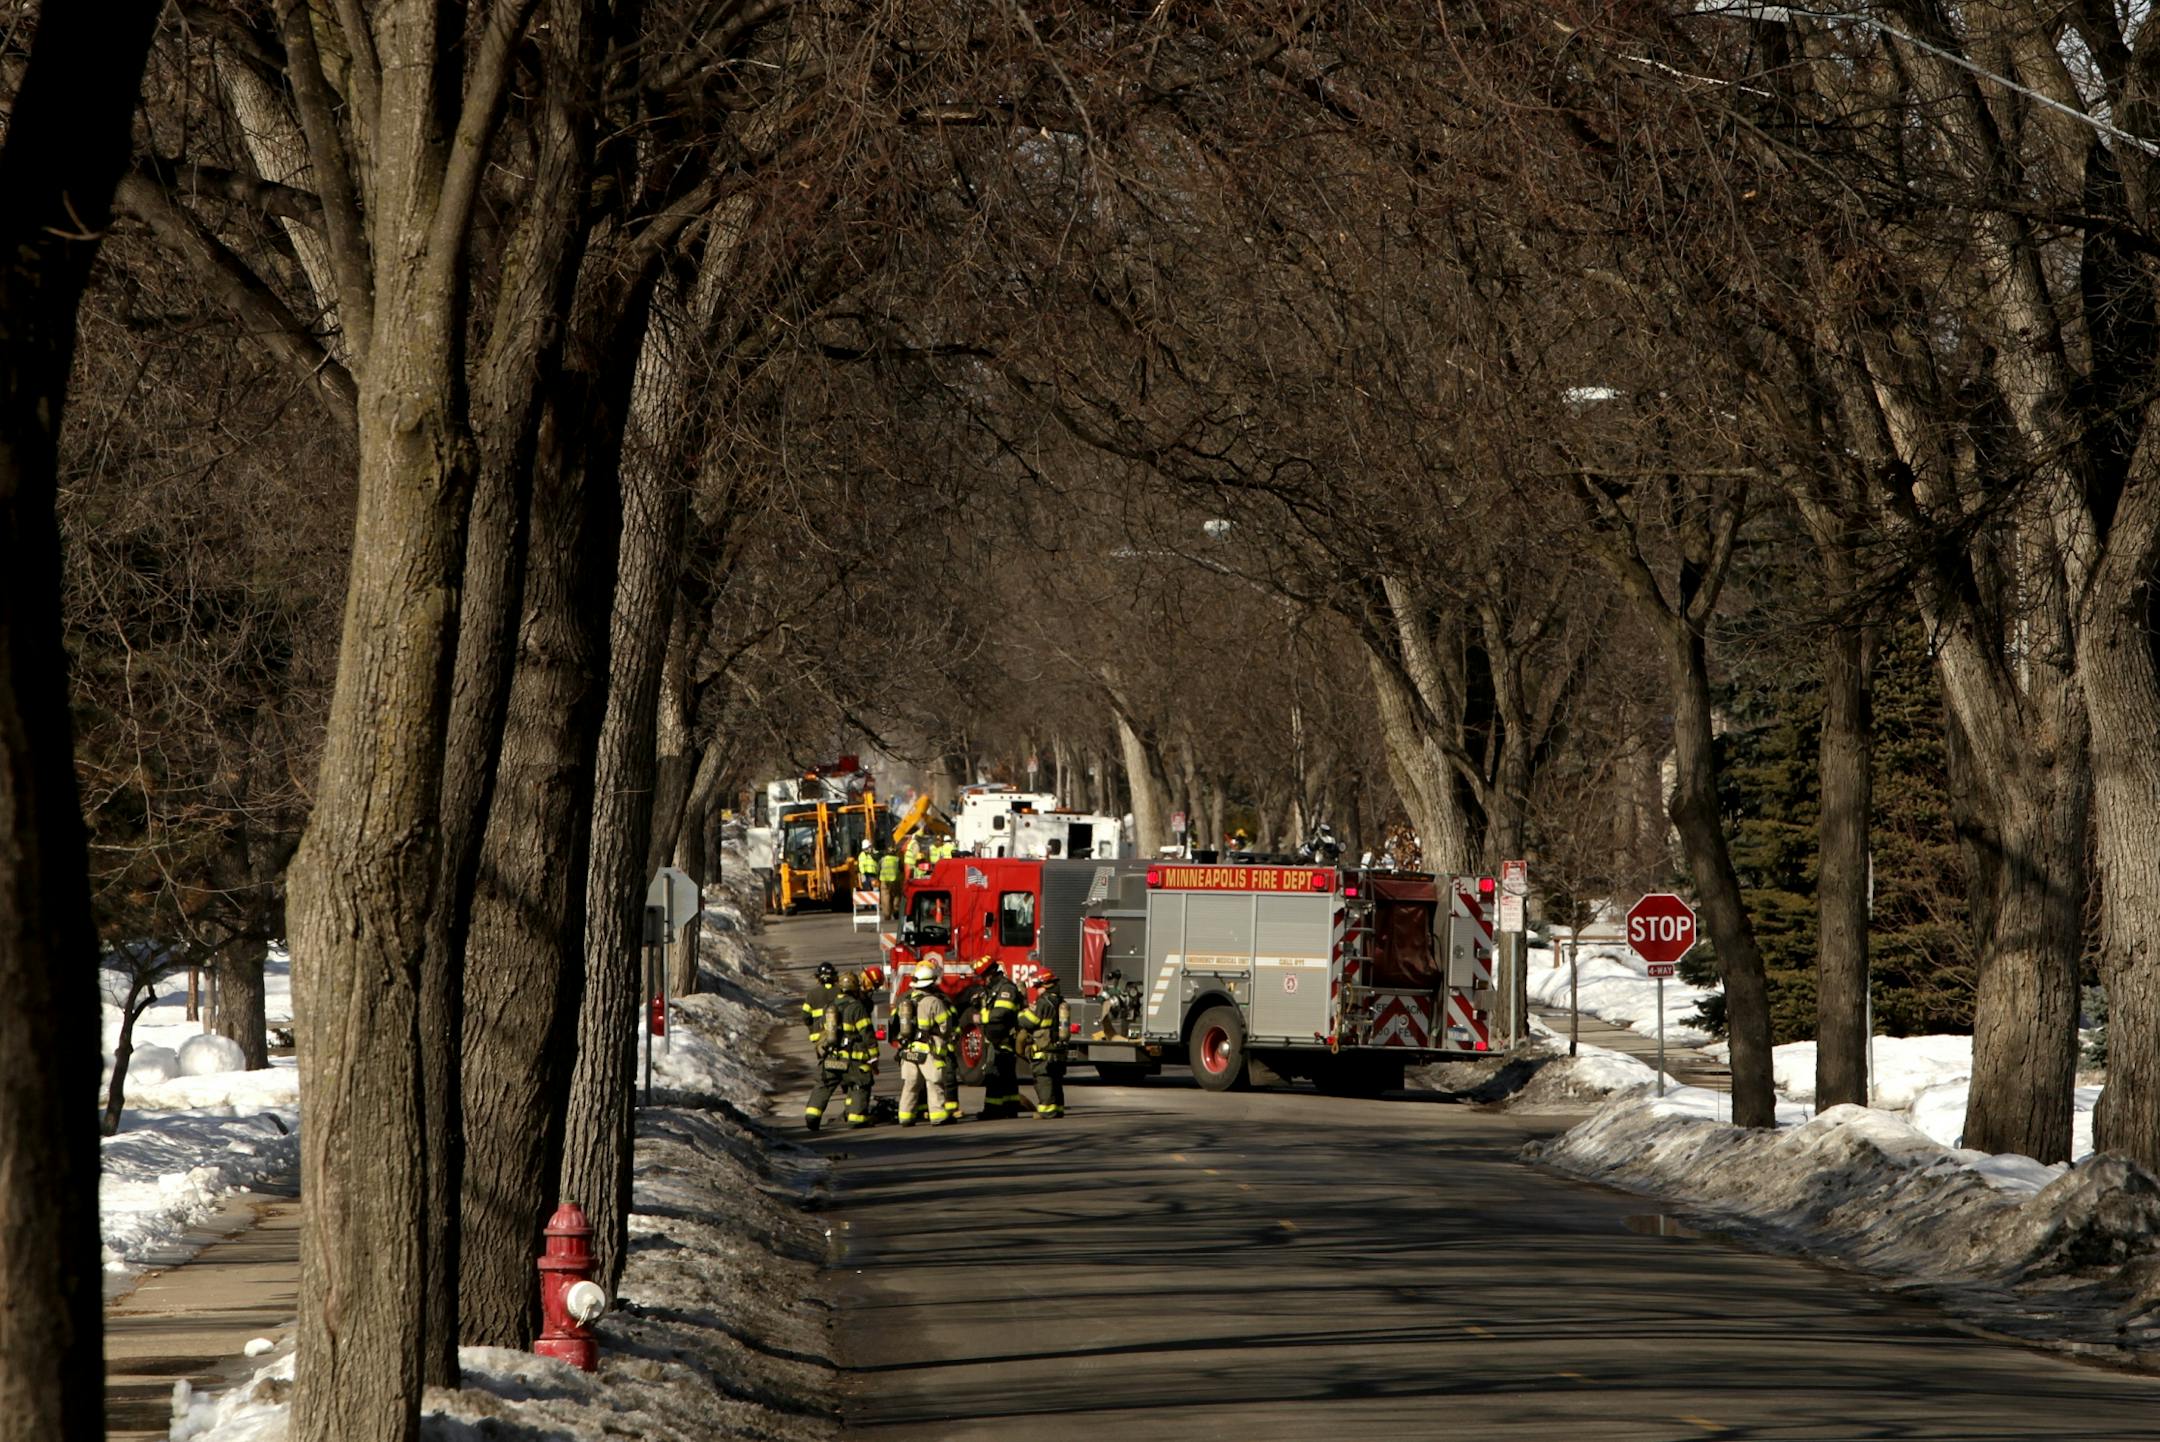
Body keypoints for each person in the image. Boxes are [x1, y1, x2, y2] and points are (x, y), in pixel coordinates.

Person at [805, 968, 868, 1132]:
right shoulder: (857, 1007)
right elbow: (866, 1033)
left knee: (823, 1086)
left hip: (830, 1057)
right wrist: (873, 1056)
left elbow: (818, 1029)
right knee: (859, 1083)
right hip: (851, 1059)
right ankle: (855, 1118)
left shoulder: (829, 1006)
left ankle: (812, 1117)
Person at [894, 961, 953, 1127]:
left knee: (911, 1083)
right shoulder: (934, 1002)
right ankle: (938, 1115)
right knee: (933, 1082)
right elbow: (945, 1026)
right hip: (928, 1049)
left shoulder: (905, 1000)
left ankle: (905, 1116)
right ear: (931, 983)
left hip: (908, 1048)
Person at [974, 957, 1025, 1119]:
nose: (983, 980)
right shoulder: (993, 988)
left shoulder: (1006, 988)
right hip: (995, 1038)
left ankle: (992, 1110)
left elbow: (1001, 1013)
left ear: (991, 973)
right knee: (1006, 1075)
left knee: (994, 1073)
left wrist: (981, 1017)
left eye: (984, 976)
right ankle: (1010, 1108)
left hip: (1004, 1039)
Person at [1019, 970, 1071, 1118]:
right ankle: (1058, 1108)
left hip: (1044, 1048)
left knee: (1043, 1078)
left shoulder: (1044, 1001)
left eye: (1038, 986)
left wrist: (1020, 1015)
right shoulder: (1061, 1001)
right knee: (1056, 1079)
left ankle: (1047, 1110)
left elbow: (1031, 1022)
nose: (1037, 990)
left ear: (1046, 985)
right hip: (1058, 1049)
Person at [801, 961, 839, 1058]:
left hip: (819, 1036)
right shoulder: (841, 991)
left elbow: (805, 1016)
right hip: (840, 1034)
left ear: (818, 977)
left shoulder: (812, 994)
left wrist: (813, 1029)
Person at [878, 845, 902, 919]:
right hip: (895, 881)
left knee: (885, 897)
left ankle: (887, 914)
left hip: (885, 881)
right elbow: (902, 870)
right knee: (896, 896)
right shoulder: (898, 860)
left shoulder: (882, 859)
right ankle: (896, 911)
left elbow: (878, 870)